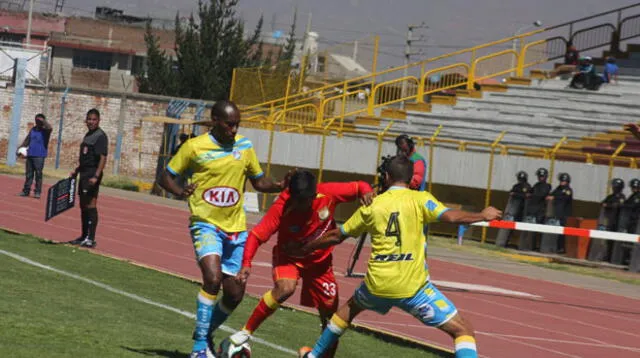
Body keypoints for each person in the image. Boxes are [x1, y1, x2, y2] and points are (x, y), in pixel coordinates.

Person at [294, 155, 502, 358]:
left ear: (386, 177)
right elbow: (451, 216)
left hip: (377, 285)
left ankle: (314, 356)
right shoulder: (421, 199)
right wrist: (482, 215)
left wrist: (307, 246)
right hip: (413, 289)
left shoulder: (373, 206)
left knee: (347, 311)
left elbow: (337, 235)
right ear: (412, 180)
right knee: (463, 331)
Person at [158, 100, 291, 358]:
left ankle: (206, 332)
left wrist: (279, 185)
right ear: (216, 121)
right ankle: (199, 349)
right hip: (205, 222)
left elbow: (259, 181)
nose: (234, 129)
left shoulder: (244, 146)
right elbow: (165, 176)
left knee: (234, 293)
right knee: (212, 278)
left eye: (237, 124)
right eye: (230, 124)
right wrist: (179, 190)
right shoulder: (194, 147)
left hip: (236, 228)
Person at [229, 171, 374, 357]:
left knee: (332, 320)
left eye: (302, 201)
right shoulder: (283, 204)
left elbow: (359, 186)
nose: (296, 205)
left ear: (313, 197)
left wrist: (367, 192)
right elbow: (257, 235)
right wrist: (246, 263)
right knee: (285, 288)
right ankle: (245, 332)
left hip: (320, 265)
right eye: (294, 199)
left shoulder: (327, 193)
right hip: (289, 258)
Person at [67, 109, 108, 249]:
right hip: (84, 173)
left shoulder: (100, 136)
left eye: (94, 119)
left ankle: (90, 238)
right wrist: (77, 171)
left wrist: (96, 176)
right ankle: (83, 235)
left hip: (92, 174)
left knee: (91, 205)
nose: (91, 122)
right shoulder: (88, 135)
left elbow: (103, 157)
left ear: (98, 120)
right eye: (89, 119)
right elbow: (86, 158)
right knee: (83, 205)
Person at [18, 113, 52, 199]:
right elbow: (27, 140)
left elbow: (50, 127)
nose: (38, 122)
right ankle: (26, 191)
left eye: (39, 120)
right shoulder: (33, 130)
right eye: (36, 120)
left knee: (38, 174)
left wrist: (43, 120)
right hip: (30, 154)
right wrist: (20, 149)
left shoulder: (46, 131)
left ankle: (37, 192)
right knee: (29, 174)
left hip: (39, 156)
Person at [546, 173, 573, 253]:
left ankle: (561, 248)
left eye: (564, 181)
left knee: (562, 232)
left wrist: (554, 197)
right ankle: (554, 247)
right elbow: (552, 194)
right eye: (561, 180)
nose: (562, 182)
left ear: (567, 182)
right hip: (556, 213)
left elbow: (565, 198)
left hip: (564, 214)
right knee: (555, 230)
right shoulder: (558, 188)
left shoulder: (568, 190)